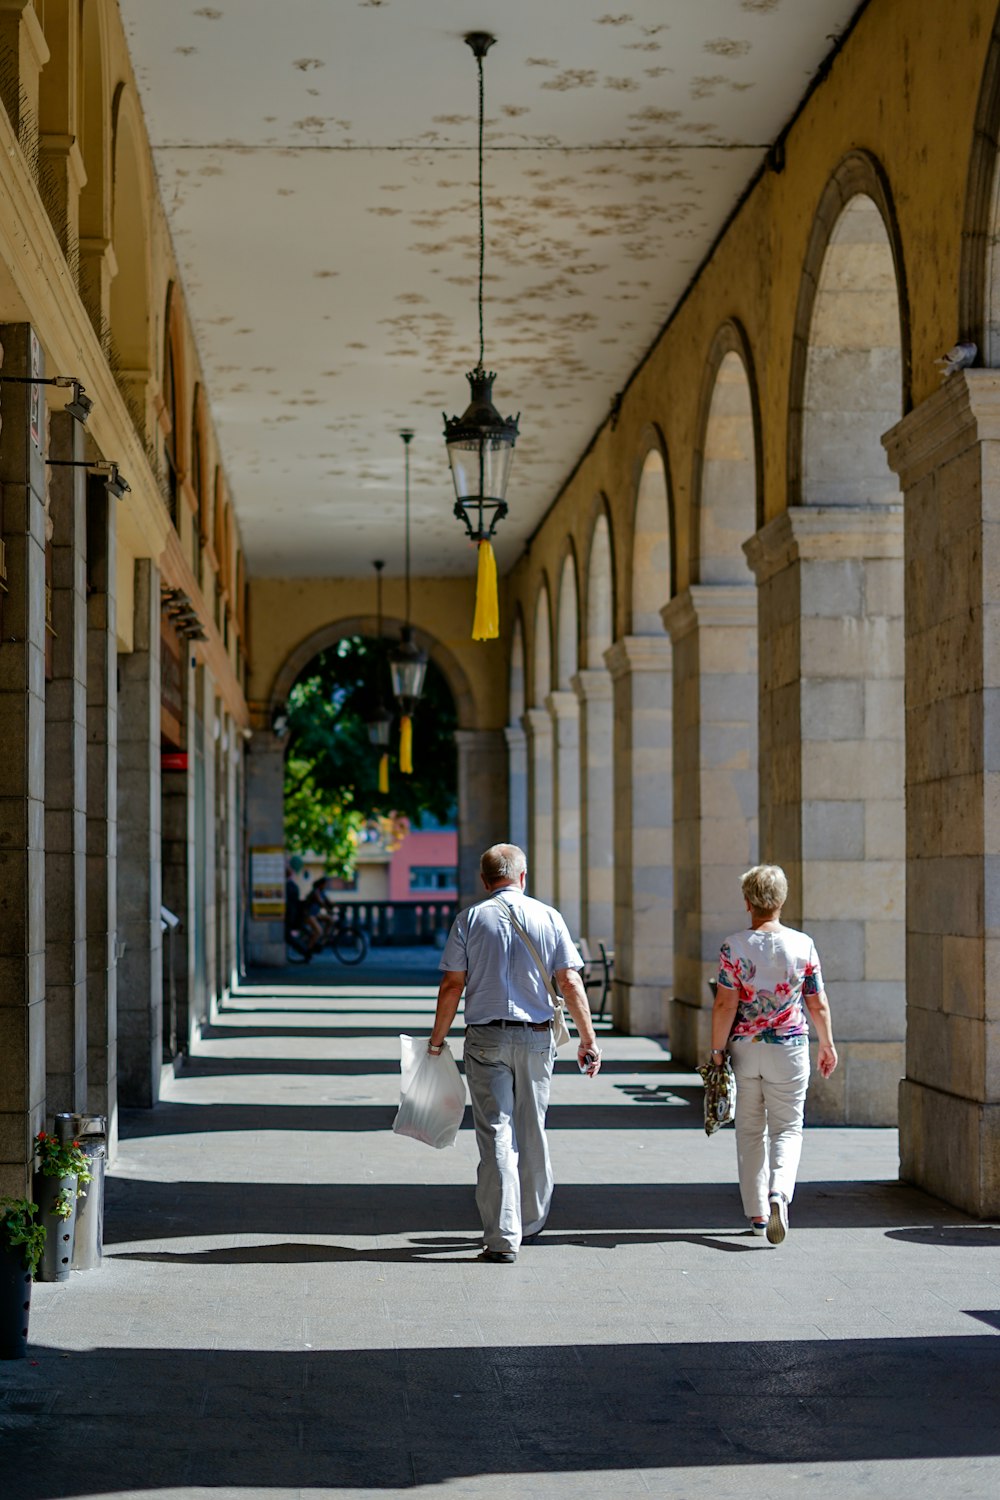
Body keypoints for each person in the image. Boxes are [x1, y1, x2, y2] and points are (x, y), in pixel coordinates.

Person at [428, 843, 602, 1264]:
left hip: (485, 1038)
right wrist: (588, 1039)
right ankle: (531, 1221)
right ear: (523, 877)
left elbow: (453, 985)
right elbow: (570, 983)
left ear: (486, 881)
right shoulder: (549, 917)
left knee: (496, 1134)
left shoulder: (470, 919)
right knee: (532, 1128)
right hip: (537, 1037)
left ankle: (502, 1234)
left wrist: (436, 1041)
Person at [710, 863, 837, 1245]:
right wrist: (827, 1043)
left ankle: (758, 1215)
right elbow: (817, 1003)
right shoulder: (803, 944)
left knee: (749, 1130)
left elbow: (724, 1006)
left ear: (748, 902)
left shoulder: (734, 945)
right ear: (780, 901)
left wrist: (717, 1052)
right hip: (791, 1047)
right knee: (787, 1128)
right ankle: (780, 1192)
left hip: (746, 1048)